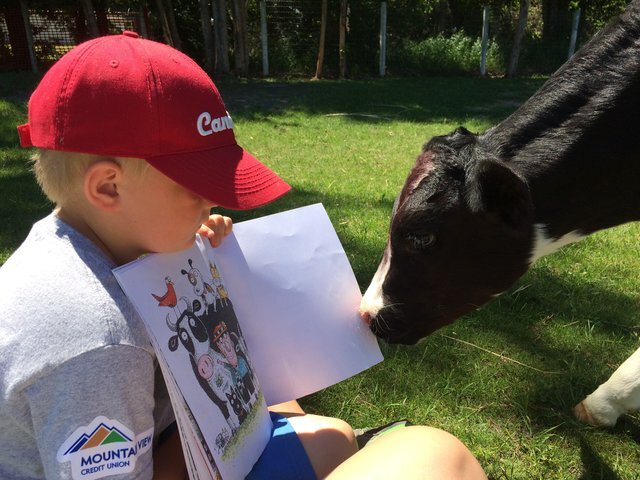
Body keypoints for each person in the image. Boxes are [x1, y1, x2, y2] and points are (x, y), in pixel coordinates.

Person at [0, 32, 487, 480]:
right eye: (197, 189)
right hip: (174, 455)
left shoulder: (108, 241)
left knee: (332, 435)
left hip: (177, 445)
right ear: (108, 186)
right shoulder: (96, 343)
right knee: (434, 453)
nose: (213, 204)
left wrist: (203, 269)